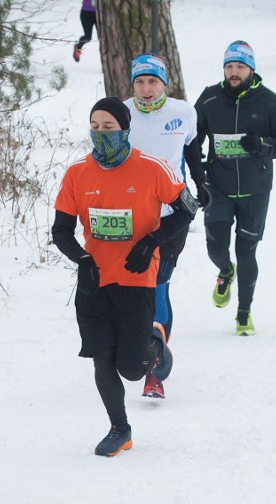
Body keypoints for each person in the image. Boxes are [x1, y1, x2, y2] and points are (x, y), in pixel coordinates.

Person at [52, 97, 193, 457]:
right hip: (95, 283)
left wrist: (151, 242)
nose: (101, 133)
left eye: (109, 127)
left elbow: (186, 208)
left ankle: (155, 346)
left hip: (137, 279)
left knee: (131, 368)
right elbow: (61, 230)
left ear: (125, 129)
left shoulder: (152, 168)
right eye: (95, 127)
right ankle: (120, 429)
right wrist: (81, 258)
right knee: (102, 357)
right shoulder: (77, 173)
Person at [193, 41, 276, 335]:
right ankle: (225, 271)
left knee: (247, 251)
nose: (234, 72)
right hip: (219, 187)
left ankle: (243, 312)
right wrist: (197, 168)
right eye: (229, 66)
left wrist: (264, 146)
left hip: (256, 189)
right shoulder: (210, 98)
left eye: (240, 66)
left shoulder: (269, 102)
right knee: (215, 247)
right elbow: (192, 137)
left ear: (251, 69)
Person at [123, 53, 205, 399]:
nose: (146, 88)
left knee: (158, 285)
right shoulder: (119, 112)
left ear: (164, 84)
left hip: (172, 214)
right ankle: (133, 351)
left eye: (152, 81)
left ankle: (154, 371)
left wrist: (202, 186)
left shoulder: (183, 112)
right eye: (139, 81)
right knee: (132, 288)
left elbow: (192, 152)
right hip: (129, 214)